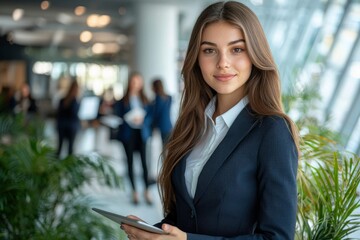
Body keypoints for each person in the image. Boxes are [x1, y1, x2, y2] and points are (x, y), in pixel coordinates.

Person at [121, 1, 300, 240]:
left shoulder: (272, 131)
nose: (222, 62)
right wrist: (152, 231)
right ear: (196, 57)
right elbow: (186, 218)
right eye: (209, 50)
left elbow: (277, 237)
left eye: (236, 49)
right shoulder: (192, 125)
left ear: (255, 54)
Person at [113, 71, 153, 205]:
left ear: (141, 84)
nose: (136, 85)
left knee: (144, 163)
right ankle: (134, 192)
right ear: (130, 83)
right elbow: (118, 115)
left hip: (141, 133)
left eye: (138, 82)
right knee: (129, 163)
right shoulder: (123, 100)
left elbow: (150, 116)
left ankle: (147, 191)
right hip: (128, 133)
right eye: (134, 82)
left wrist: (143, 120)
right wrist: (128, 118)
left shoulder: (145, 99)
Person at [56, 80, 81, 157]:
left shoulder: (63, 100)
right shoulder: (75, 102)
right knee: (70, 149)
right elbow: (75, 114)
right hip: (71, 127)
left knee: (59, 147)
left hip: (62, 126)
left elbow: (58, 114)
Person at [150, 78, 173, 146]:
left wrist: (152, 125)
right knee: (168, 146)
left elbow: (156, 114)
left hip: (161, 126)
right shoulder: (169, 97)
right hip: (169, 124)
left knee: (164, 146)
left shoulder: (158, 98)